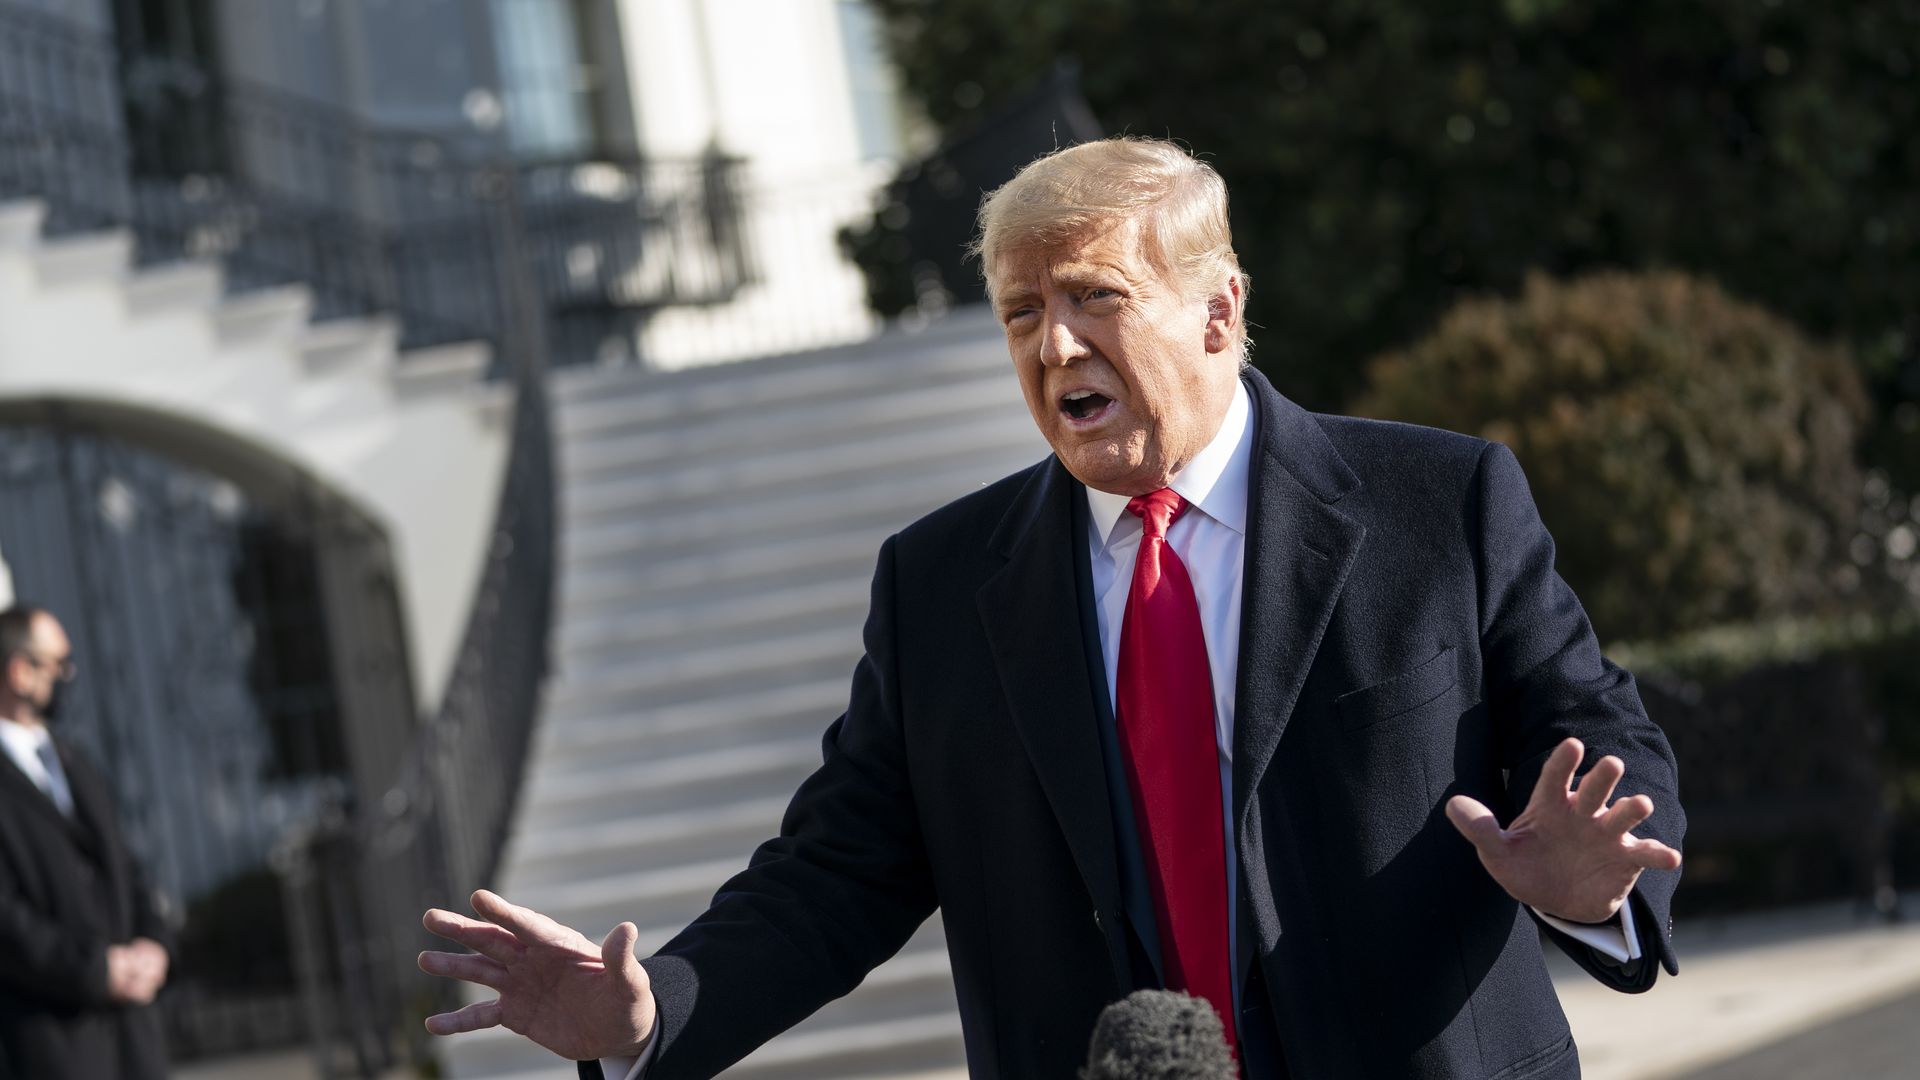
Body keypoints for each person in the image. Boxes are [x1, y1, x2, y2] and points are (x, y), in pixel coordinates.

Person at [420, 137, 1684, 1079]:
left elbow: (1596, 732)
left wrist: (1594, 884)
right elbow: (836, 872)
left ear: (1219, 312)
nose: (1056, 347)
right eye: (1022, 313)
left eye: (1095, 298)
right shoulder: (939, 586)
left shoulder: (1438, 504)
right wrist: (655, 1011)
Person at [0, 604, 173, 1079]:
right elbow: (6, 920)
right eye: (58, 664)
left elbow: (127, 869)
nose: (67, 676)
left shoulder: (75, 762)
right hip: (54, 1045)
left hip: (131, 1042)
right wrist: (94, 970)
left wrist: (154, 943)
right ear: (19, 672)